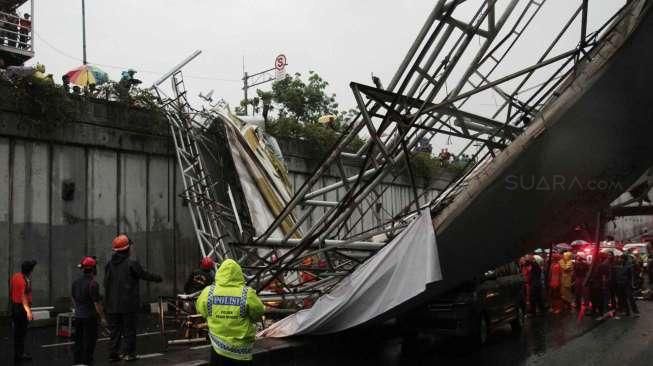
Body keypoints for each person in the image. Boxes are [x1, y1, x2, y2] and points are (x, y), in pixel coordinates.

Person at [104, 234, 162, 362]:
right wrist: (158, 278)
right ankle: (129, 353)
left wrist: (106, 303)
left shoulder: (109, 264)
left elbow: (106, 284)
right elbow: (143, 274)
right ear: (126, 249)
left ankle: (114, 354)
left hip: (112, 305)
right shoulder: (131, 263)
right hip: (128, 304)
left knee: (115, 331)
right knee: (129, 330)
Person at [196, 259, 265, 365]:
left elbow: (201, 310)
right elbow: (258, 312)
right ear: (239, 273)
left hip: (218, 348)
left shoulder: (208, 292)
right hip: (241, 352)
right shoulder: (247, 293)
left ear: (219, 272)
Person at [72, 256, 108, 365]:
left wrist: (78, 309)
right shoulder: (93, 284)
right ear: (93, 269)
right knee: (90, 341)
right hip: (89, 317)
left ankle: (77, 361)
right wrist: (102, 318)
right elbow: (96, 303)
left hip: (78, 316)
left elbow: (73, 298)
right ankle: (87, 361)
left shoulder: (76, 282)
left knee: (78, 340)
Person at [10, 259, 37, 363]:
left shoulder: (16, 276)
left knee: (18, 333)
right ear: (30, 270)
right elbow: (23, 298)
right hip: (21, 309)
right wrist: (28, 312)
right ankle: (20, 355)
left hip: (15, 306)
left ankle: (18, 353)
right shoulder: (23, 281)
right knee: (21, 333)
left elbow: (12, 290)